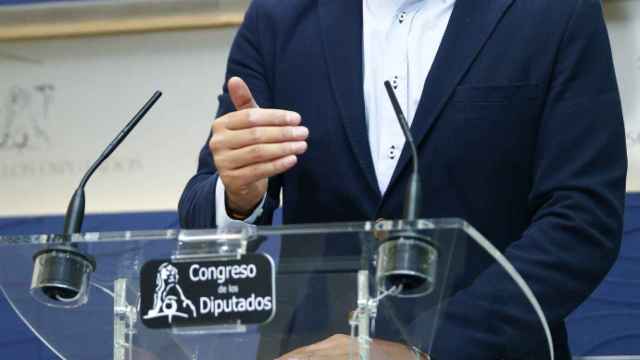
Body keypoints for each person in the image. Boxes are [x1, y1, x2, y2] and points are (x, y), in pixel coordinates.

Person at [179, 0, 628, 359]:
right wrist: (237, 196)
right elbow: (202, 214)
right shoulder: (278, 17)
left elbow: (582, 220)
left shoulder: (556, 11)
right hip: (309, 349)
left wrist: (428, 348)